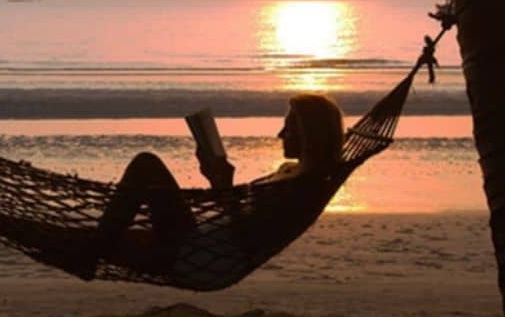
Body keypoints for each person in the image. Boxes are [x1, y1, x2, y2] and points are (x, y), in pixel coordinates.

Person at [69, 93, 345, 284]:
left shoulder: (301, 188)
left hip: (204, 257)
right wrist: (216, 178)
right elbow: (241, 217)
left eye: (289, 128)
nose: (280, 135)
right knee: (81, 237)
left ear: (310, 134)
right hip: (203, 242)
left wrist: (221, 184)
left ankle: (89, 257)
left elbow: (247, 237)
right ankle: (86, 251)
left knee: (146, 165)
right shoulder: (292, 173)